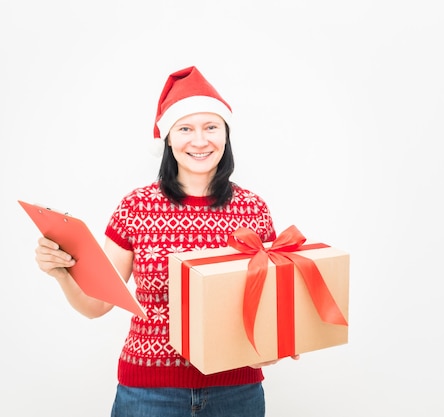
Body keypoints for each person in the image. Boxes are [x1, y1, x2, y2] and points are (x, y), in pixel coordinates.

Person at [34, 66, 297, 417]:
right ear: (168, 138)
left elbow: (267, 305)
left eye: (211, 127)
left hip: (236, 391)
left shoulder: (253, 208)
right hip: (149, 393)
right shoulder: (136, 206)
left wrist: (281, 337)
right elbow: (97, 305)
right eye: (185, 128)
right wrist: (61, 273)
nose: (199, 141)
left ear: (225, 136)